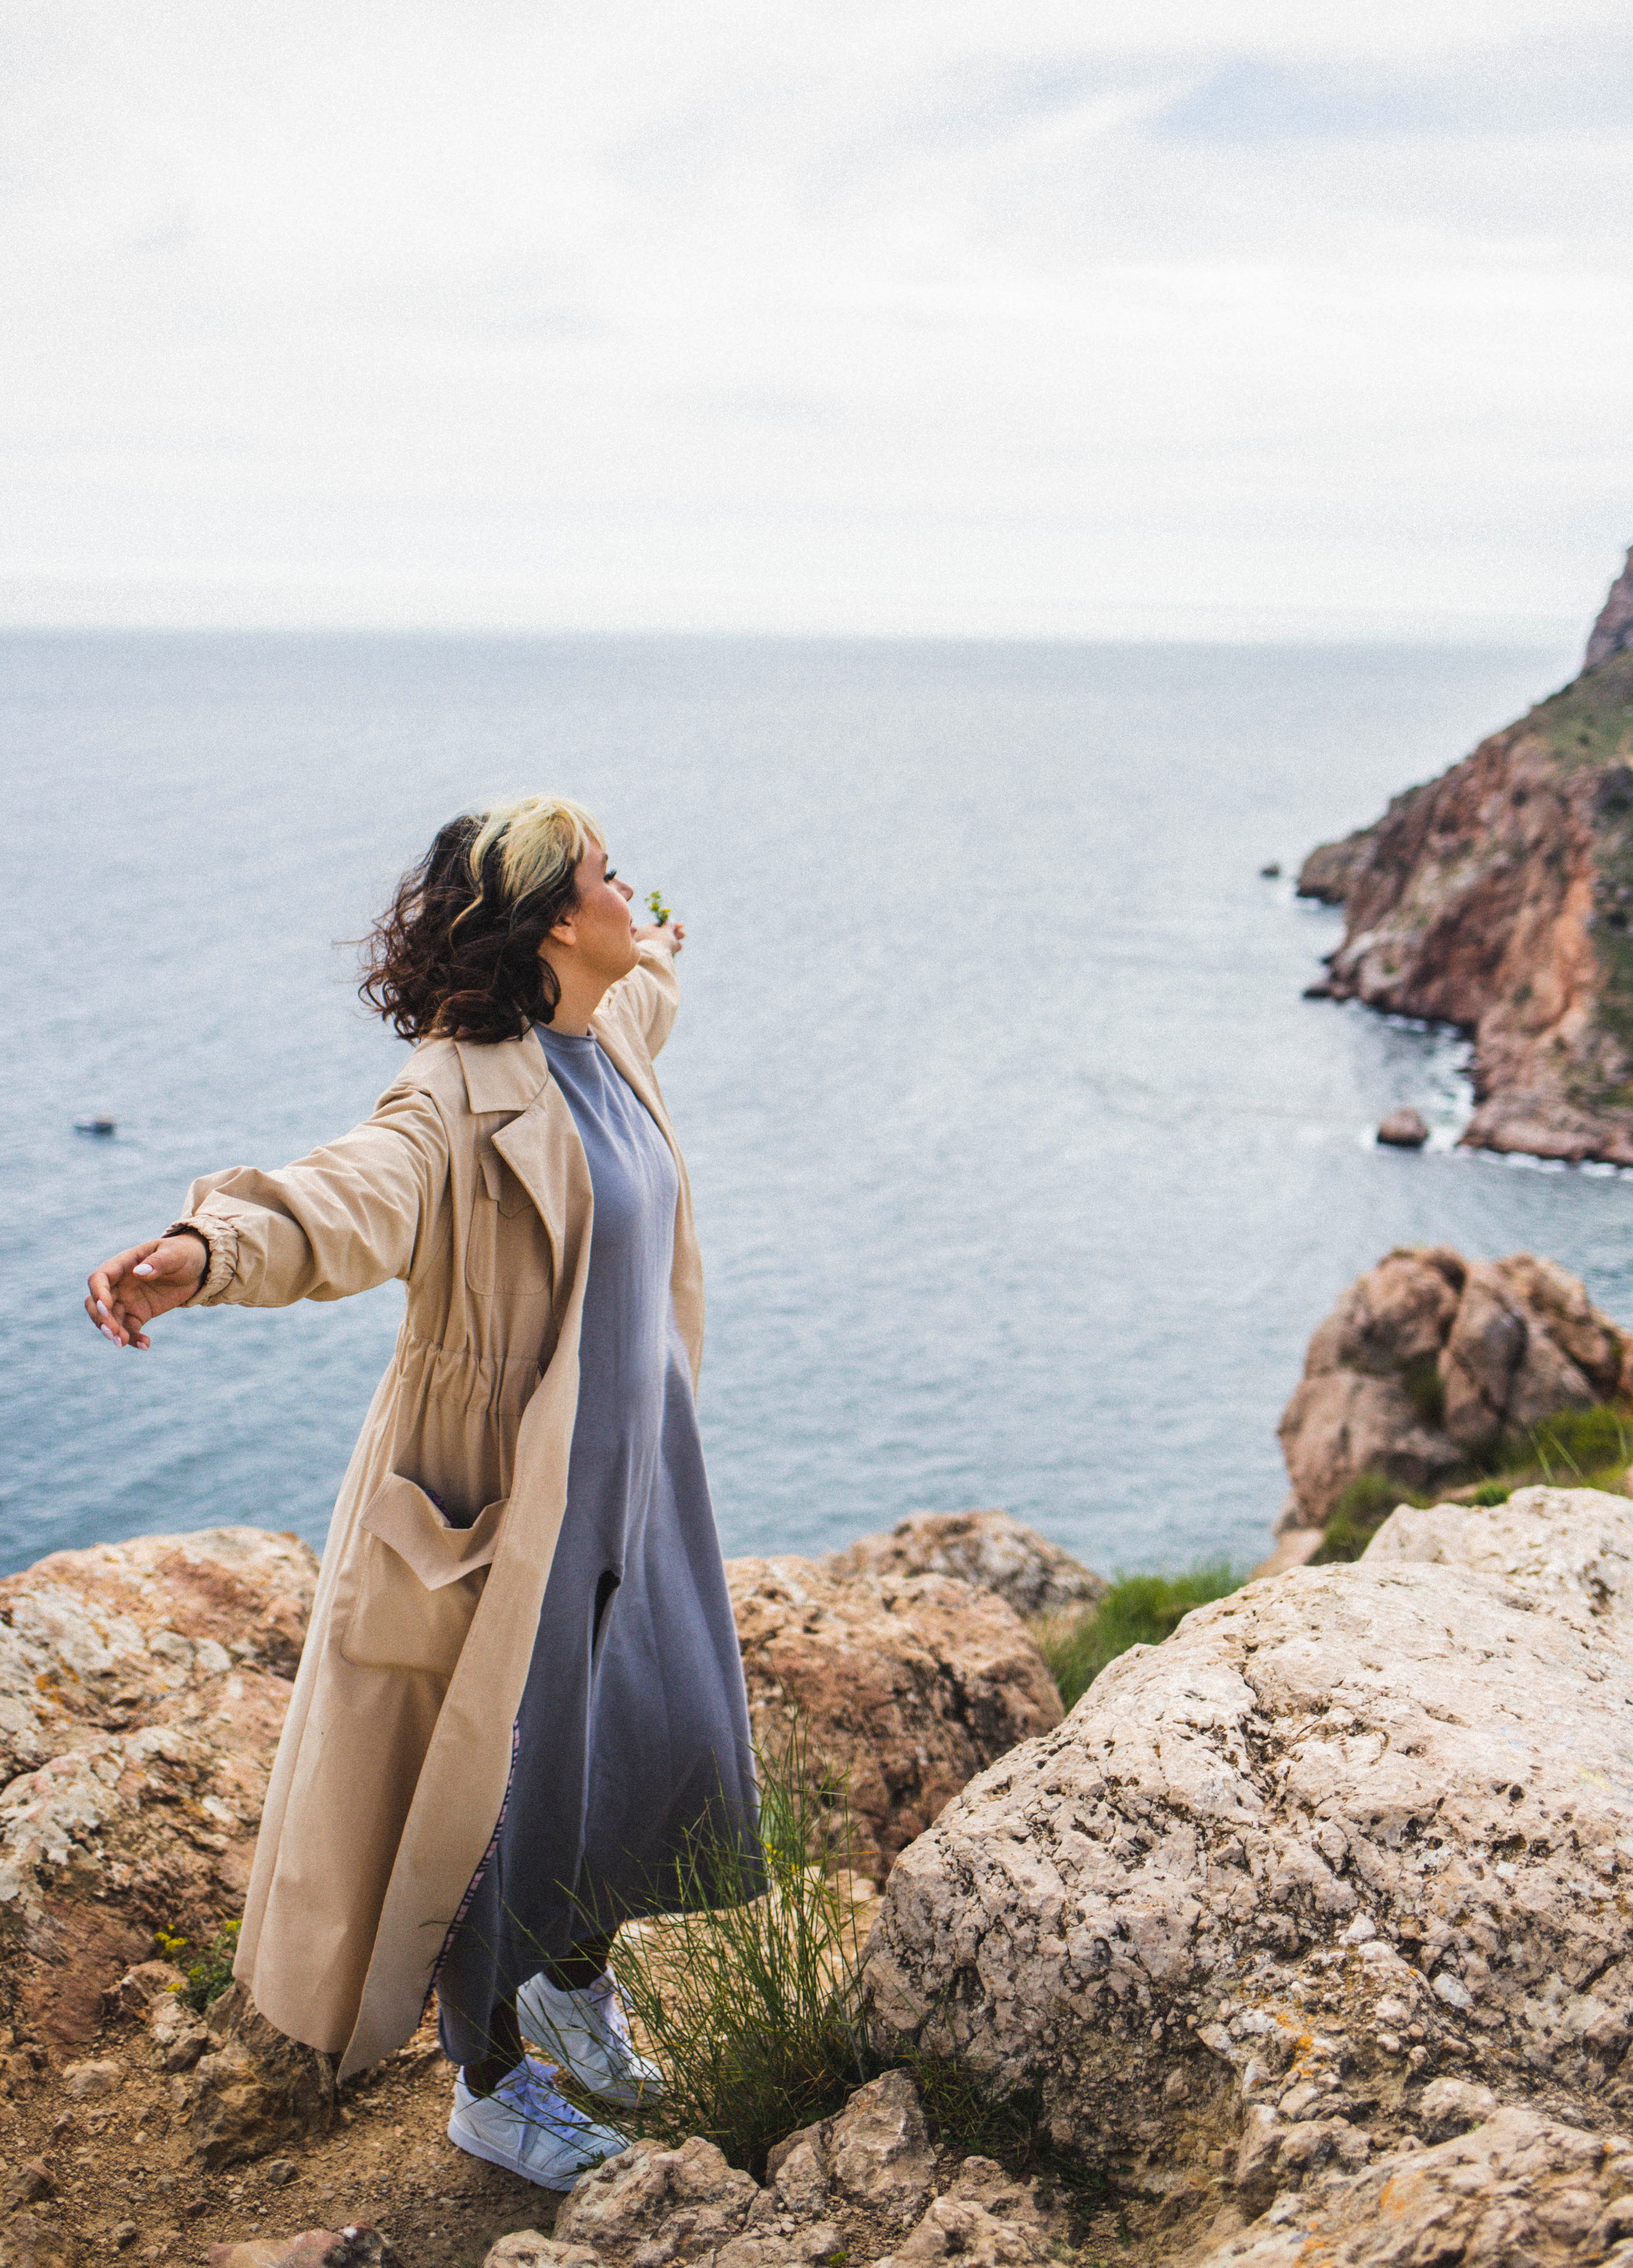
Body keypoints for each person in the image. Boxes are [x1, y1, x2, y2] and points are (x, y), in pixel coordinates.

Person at [85, 797, 760, 2190]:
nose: (630, 894)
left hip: (644, 1477)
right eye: (609, 877)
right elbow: (347, 1196)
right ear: (555, 920)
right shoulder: (455, 1093)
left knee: (644, 1744)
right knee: (499, 1795)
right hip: (511, 1502)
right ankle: (492, 2086)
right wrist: (209, 1248)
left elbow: (656, 968)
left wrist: (660, 938)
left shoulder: (612, 1033)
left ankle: (570, 1985)